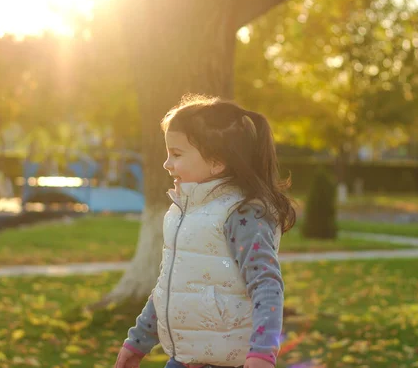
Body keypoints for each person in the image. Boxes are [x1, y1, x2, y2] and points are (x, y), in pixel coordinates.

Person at [114, 95, 296, 368]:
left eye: (176, 154)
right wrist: (137, 342)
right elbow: (169, 288)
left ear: (216, 161)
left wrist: (262, 354)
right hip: (181, 360)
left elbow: (266, 286)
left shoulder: (241, 214)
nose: (167, 163)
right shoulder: (182, 211)